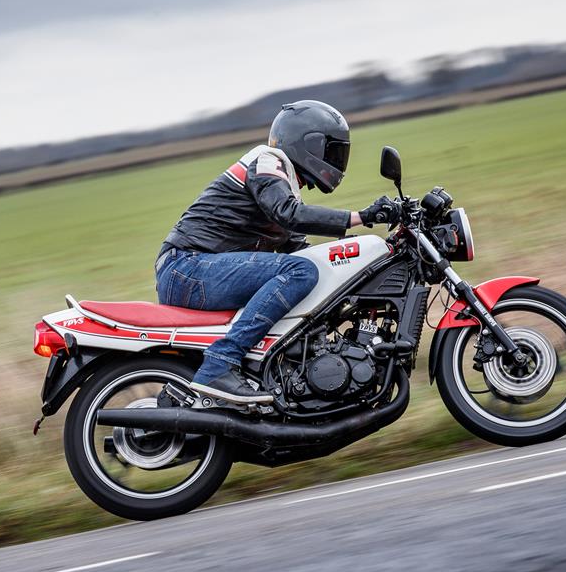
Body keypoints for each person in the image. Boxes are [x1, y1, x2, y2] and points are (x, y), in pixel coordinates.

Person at [155, 100, 400, 404]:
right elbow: (288, 214)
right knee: (300, 272)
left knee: (310, 273)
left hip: (197, 270)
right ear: (305, 143)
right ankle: (220, 363)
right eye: (331, 151)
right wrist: (362, 217)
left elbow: (303, 249)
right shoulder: (267, 160)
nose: (336, 160)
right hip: (187, 268)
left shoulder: (285, 185)